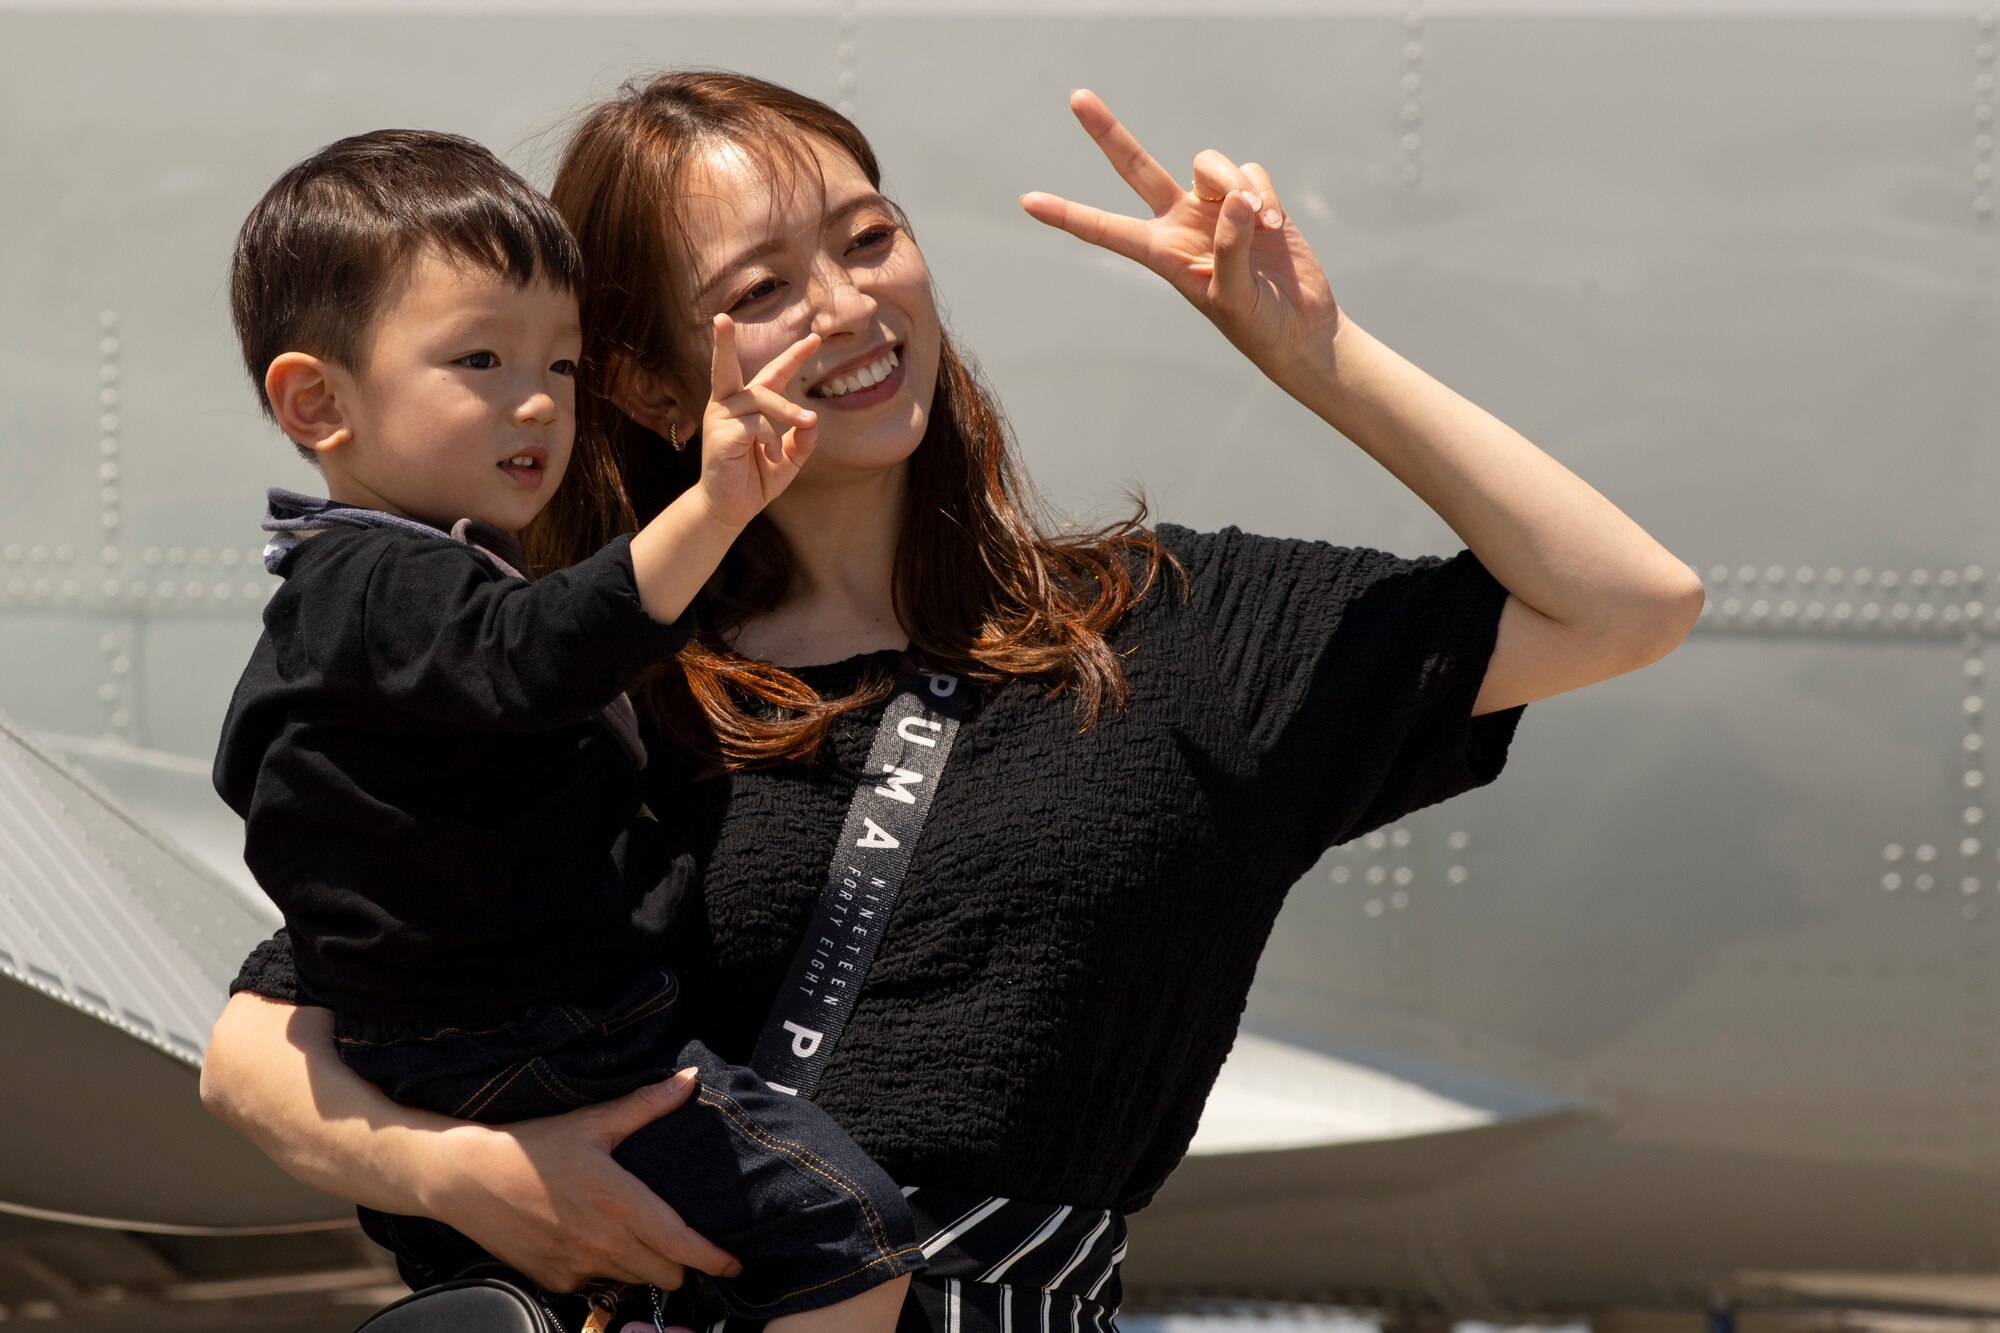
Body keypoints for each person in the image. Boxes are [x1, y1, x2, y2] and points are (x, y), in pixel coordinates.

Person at [201, 74, 1704, 1331]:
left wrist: (1315, 354)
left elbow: (1626, 604)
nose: (848, 305)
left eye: (871, 237)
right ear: (655, 388)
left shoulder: (1169, 630)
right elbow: (262, 1043)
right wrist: (468, 1179)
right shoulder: (579, 668)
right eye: (762, 289)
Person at [211, 127, 922, 1331]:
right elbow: (537, 651)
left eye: (563, 363)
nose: (537, 399)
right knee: (844, 1231)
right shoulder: (386, 588)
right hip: (549, 1042)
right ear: (315, 399)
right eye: (479, 358)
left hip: (484, 1048)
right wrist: (714, 503)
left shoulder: (367, 602)